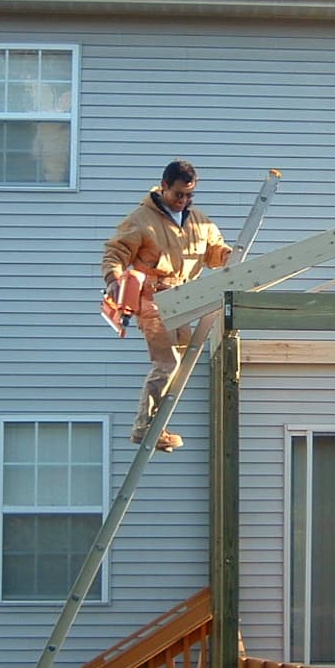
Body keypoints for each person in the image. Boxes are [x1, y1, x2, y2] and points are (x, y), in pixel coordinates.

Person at [102, 160, 232, 451]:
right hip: (152, 300)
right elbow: (116, 250)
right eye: (178, 195)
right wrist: (113, 278)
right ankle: (144, 426)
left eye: (189, 195)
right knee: (167, 363)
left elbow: (213, 252)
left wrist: (228, 256)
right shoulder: (141, 220)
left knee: (181, 365)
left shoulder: (198, 221)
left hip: (182, 299)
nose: (183, 201)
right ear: (163, 187)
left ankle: (157, 424)